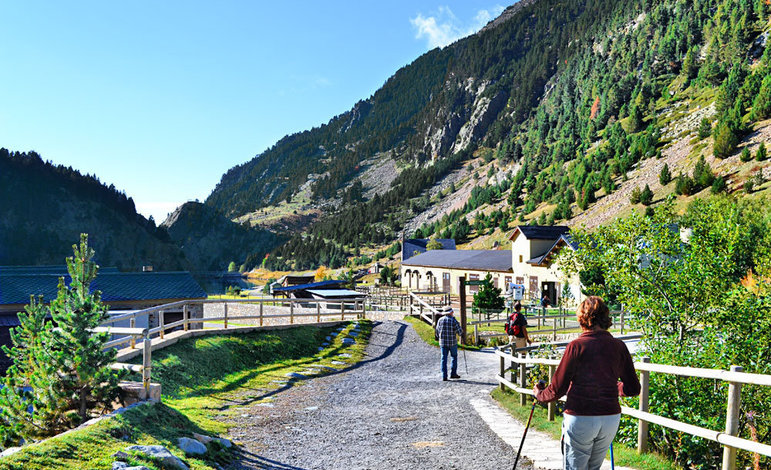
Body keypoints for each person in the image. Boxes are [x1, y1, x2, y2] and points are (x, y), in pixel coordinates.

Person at [533, 296, 640, 470]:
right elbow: (633, 388)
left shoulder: (576, 346)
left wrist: (539, 394)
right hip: (609, 418)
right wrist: (614, 387)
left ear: (582, 318)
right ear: (606, 317)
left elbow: (557, 389)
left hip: (580, 415)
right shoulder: (619, 346)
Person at [435, 306, 463, 381]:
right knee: (454, 357)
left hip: (443, 343)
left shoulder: (440, 320)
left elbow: (437, 331)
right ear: (450, 312)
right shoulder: (453, 320)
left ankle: (444, 376)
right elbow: (459, 332)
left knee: (443, 358)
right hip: (452, 342)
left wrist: (439, 338)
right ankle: (453, 373)